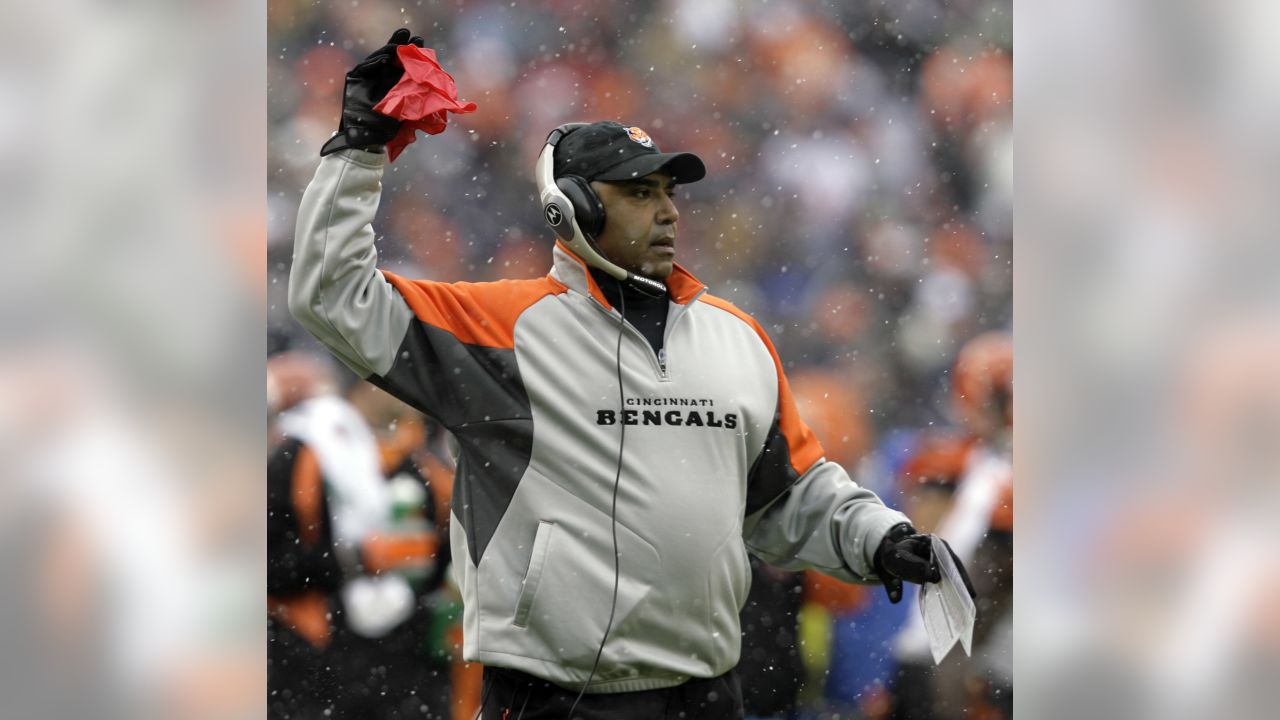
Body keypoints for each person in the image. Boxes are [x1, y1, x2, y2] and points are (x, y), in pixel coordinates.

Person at [289, 30, 973, 720]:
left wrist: (879, 539)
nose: (670, 209)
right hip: (555, 699)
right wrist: (360, 148)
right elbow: (330, 293)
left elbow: (785, 497)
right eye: (641, 192)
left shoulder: (736, 336)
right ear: (572, 207)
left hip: (708, 694)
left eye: (669, 192)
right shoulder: (498, 331)